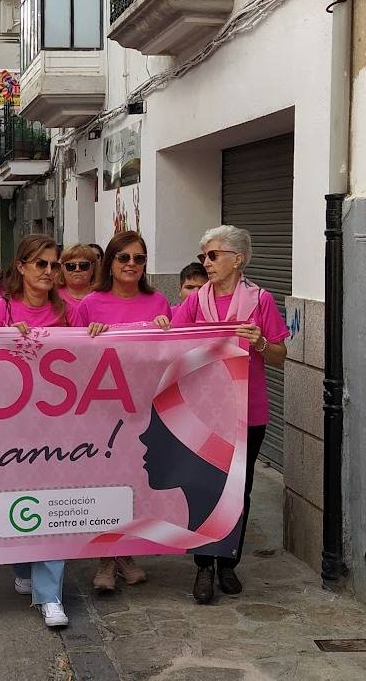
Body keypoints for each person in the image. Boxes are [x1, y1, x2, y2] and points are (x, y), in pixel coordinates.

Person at [171, 225, 288, 605]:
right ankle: (204, 565)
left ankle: (228, 562)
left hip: (247, 410)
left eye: (213, 255)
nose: (206, 262)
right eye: (204, 255)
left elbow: (279, 357)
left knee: (240, 487)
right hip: (203, 409)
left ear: (238, 259)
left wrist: (261, 343)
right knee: (205, 486)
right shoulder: (195, 302)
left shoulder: (260, 301)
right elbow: (171, 347)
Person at [0, 235, 76, 628]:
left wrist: (98, 332)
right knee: (14, 499)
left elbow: (92, 359)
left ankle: (50, 596)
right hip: (9, 430)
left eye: (55, 265)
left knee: (51, 504)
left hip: (57, 428)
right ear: (22, 267)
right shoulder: (0, 311)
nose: (49, 272)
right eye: (41, 264)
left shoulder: (70, 311)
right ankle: (22, 564)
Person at [78, 230, 172, 593]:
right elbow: (71, 357)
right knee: (106, 482)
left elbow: (169, 355)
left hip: (144, 409)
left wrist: (167, 331)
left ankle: (128, 553)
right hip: (102, 410)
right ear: (111, 263)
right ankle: (105, 560)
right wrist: (89, 336)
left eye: (139, 258)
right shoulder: (90, 304)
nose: (132, 264)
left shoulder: (159, 302)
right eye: (124, 258)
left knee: (136, 483)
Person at [58, 243, 98, 307]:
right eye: (71, 266)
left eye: (83, 265)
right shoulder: (54, 297)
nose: (77, 269)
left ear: (93, 268)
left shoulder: (102, 296)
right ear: (62, 268)